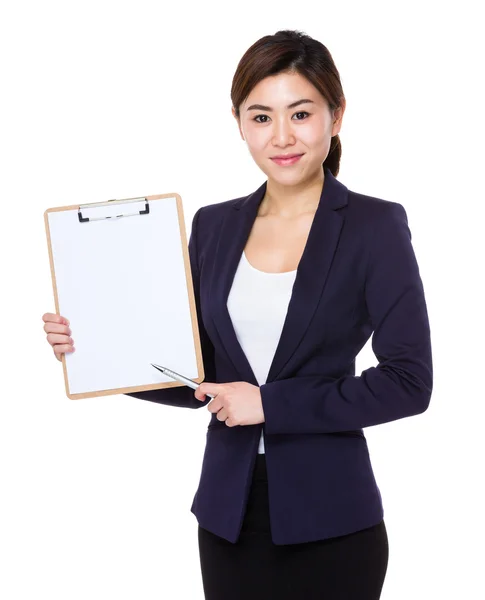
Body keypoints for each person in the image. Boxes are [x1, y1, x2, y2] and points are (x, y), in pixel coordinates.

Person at [42, 29, 433, 600]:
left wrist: (268, 404)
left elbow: (408, 382)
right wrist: (95, 351)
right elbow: (197, 373)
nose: (281, 137)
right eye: (260, 117)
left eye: (300, 113)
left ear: (336, 114)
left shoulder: (374, 227)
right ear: (238, 121)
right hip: (227, 518)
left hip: (332, 521)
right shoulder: (214, 225)